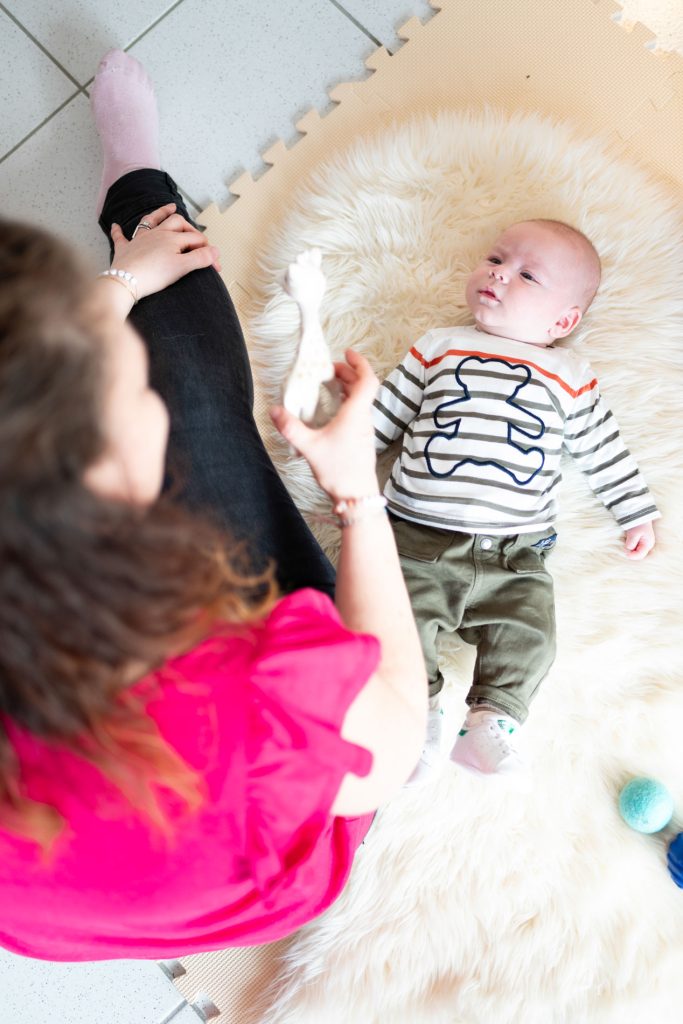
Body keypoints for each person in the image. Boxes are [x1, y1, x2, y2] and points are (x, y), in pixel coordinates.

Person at [0, 50, 427, 961]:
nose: (145, 406)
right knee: (199, 399)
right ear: (113, 496)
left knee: (152, 349)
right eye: (130, 395)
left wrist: (122, 284)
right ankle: (138, 192)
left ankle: (135, 211)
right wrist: (357, 497)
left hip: (77, 912)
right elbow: (395, 744)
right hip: (274, 850)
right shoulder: (250, 693)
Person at [373, 219, 659, 782]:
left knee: (531, 632)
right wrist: (341, 457)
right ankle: (418, 717)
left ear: (563, 321)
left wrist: (635, 510)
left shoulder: (568, 376)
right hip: (415, 541)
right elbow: (385, 412)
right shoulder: (439, 346)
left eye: (528, 275)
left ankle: (492, 720)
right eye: (496, 259)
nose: (500, 274)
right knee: (395, 619)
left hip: (513, 555)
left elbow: (603, 449)